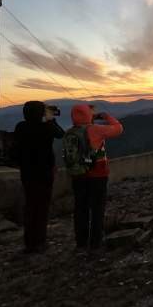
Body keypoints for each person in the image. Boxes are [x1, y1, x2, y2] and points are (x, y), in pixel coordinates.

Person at [68, 104, 123, 251]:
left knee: (80, 210)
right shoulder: (96, 130)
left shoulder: (70, 132)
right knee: (97, 209)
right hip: (98, 175)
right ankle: (95, 243)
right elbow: (118, 128)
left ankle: (81, 243)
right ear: (88, 114)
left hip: (78, 175)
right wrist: (105, 116)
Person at [13, 101, 65, 254]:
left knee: (30, 206)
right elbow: (60, 134)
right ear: (40, 113)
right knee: (42, 207)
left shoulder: (20, 127)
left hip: (27, 172)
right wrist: (51, 119)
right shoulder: (46, 127)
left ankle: (29, 243)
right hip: (44, 172)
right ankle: (40, 242)